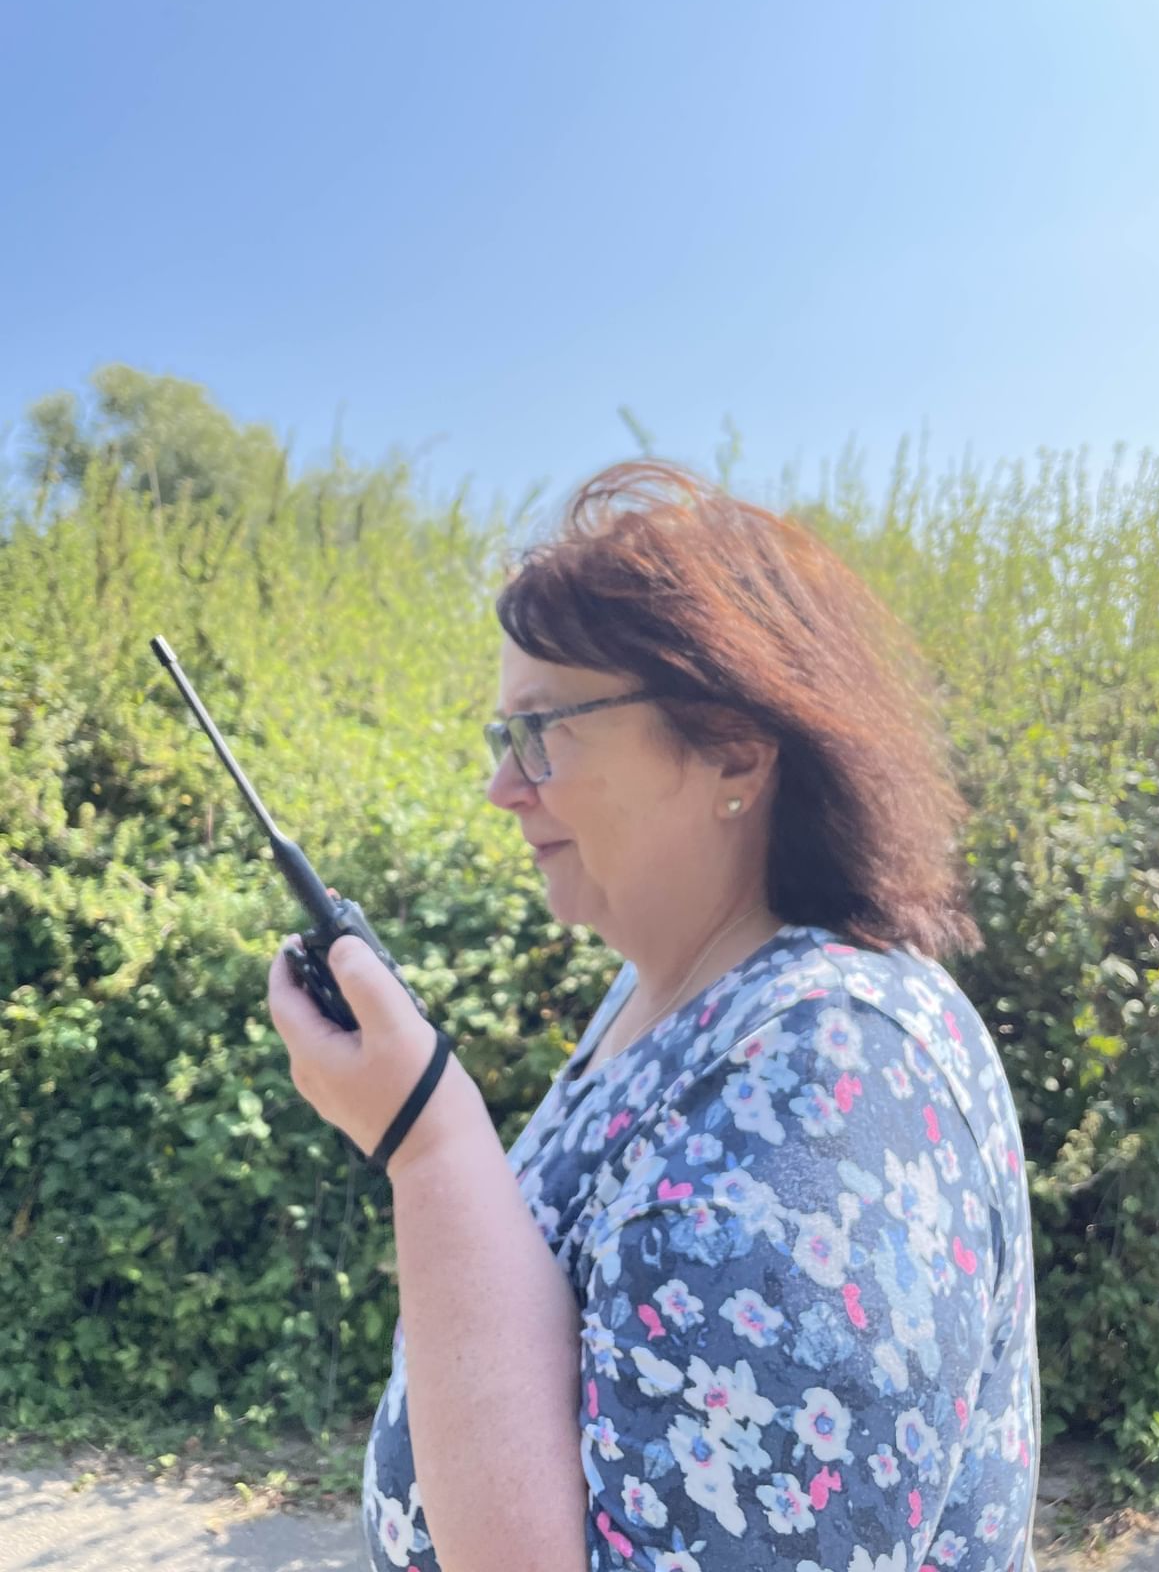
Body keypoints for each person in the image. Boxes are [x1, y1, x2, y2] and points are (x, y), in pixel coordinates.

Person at [268, 461, 1041, 1572]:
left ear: (734, 745)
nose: (503, 787)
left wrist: (427, 1142)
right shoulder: (665, 1002)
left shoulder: (835, 1083)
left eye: (543, 729)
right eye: (502, 737)